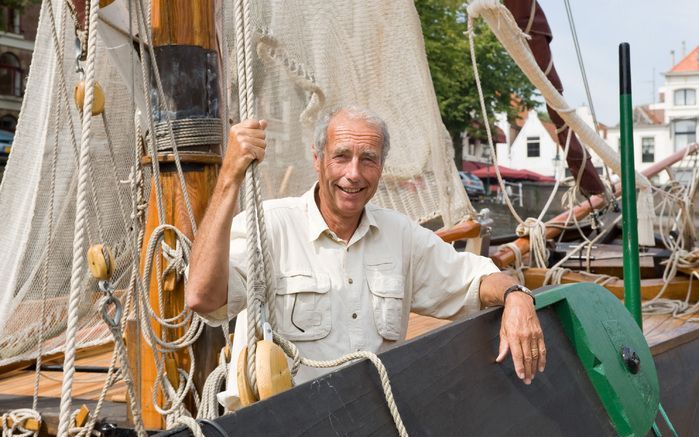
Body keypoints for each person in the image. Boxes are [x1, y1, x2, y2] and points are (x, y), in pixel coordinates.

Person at [187, 106, 546, 384]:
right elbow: (202, 297)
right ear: (318, 159)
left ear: (381, 166)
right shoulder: (270, 227)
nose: (354, 174)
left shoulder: (401, 236)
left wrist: (516, 296)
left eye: (368, 159)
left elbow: (476, 279)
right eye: (341, 156)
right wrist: (230, 176)